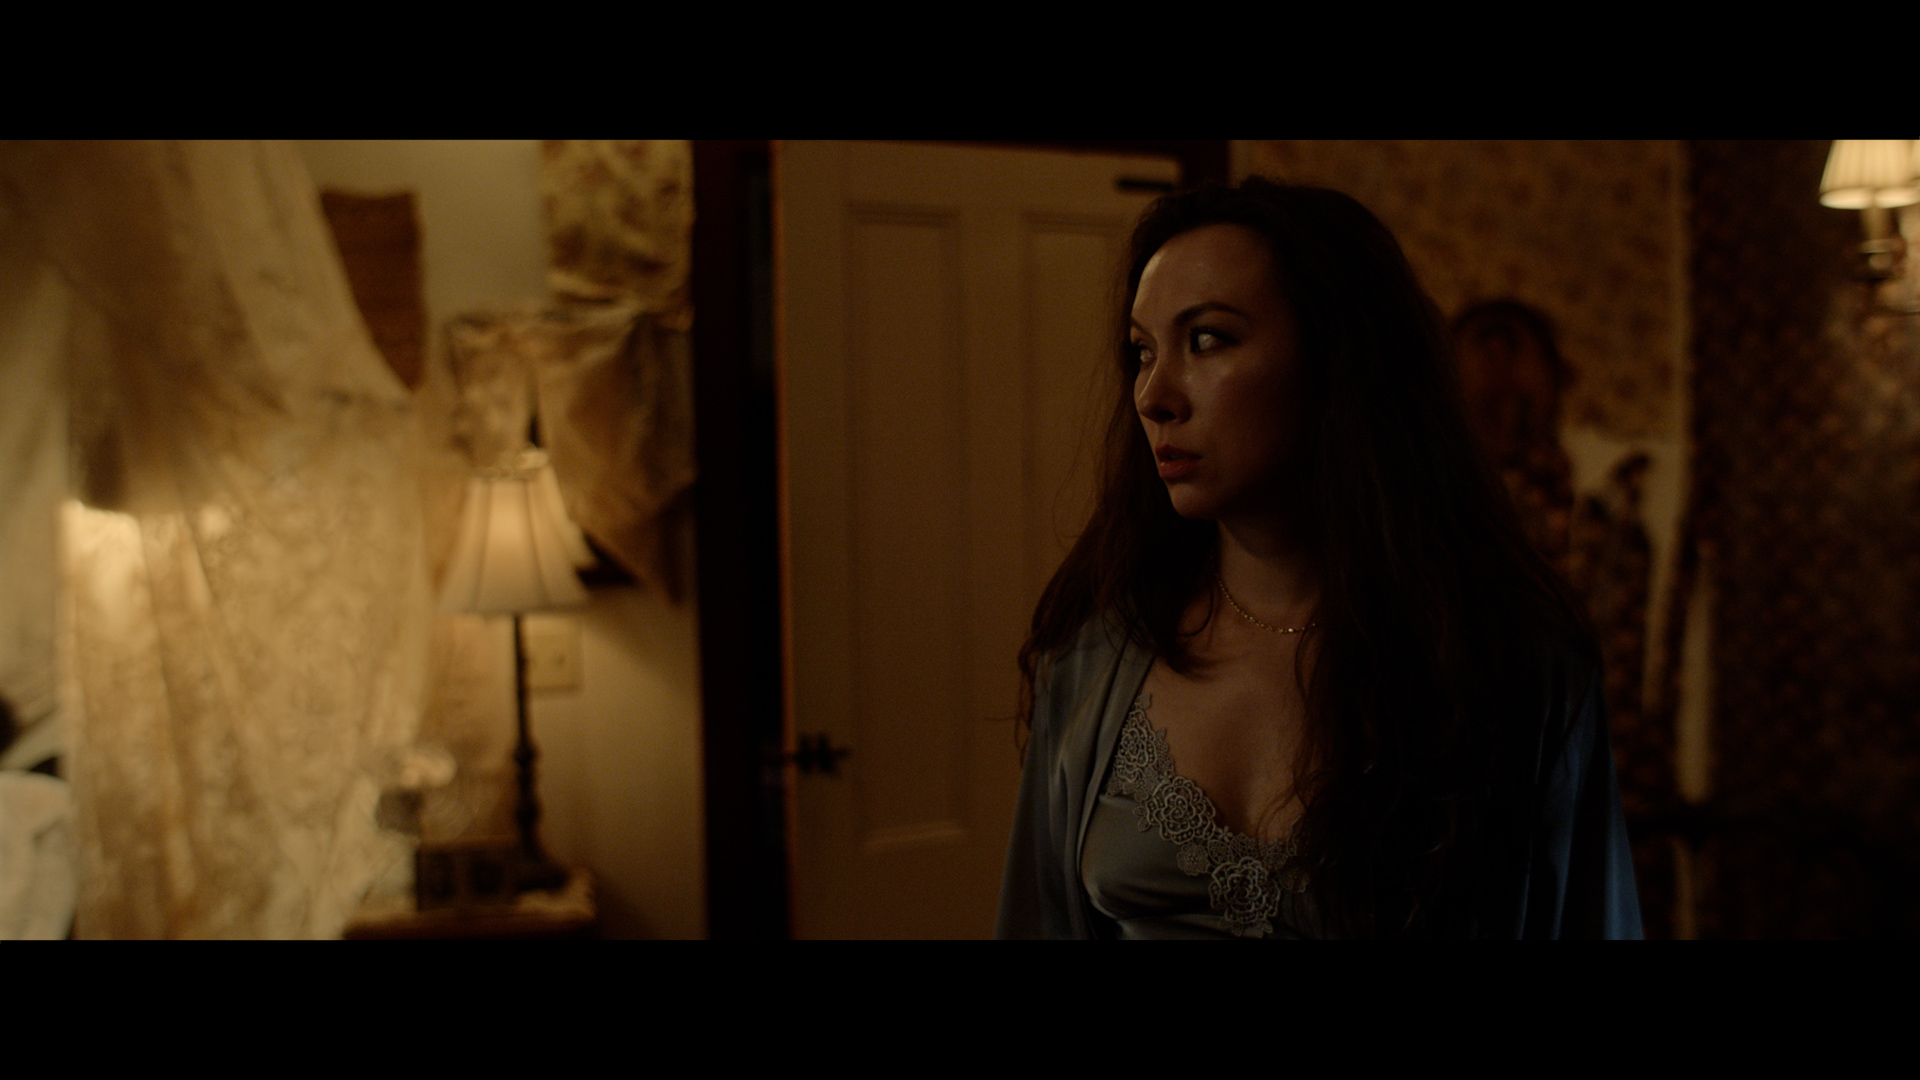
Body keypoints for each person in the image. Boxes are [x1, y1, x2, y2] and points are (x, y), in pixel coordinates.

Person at [995, 178, 1641, 939]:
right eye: (1142, 351)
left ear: (1338, 360)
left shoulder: (1513, 668)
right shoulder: (1094, 660)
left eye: (1207, 339)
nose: (1154, 394)